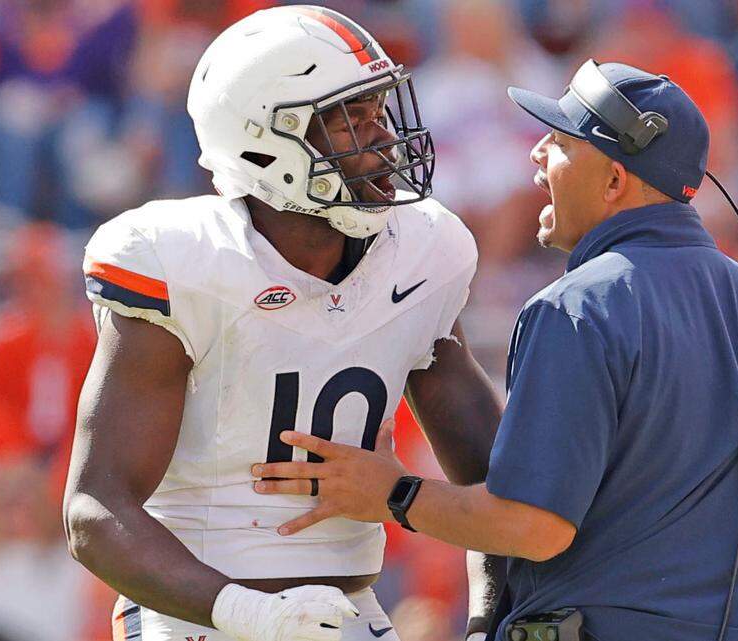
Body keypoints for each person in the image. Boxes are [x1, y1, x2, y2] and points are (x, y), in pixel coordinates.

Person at [253, 61, 738, 641]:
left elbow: (535, 526)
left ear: (613, 181)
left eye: (558, 141)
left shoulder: (581, 306)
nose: (537, 153)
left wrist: (392, 492)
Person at [62, 6, 503, 641]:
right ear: (264, 141)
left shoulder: (425, 251)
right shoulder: (183, 262)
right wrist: (246, 613)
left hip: (353, 614)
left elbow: (493, 489)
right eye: (350, 120)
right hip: (197, 615)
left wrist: (491, 615)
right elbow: (94, 509)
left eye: (379, 111)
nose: (382, 137)